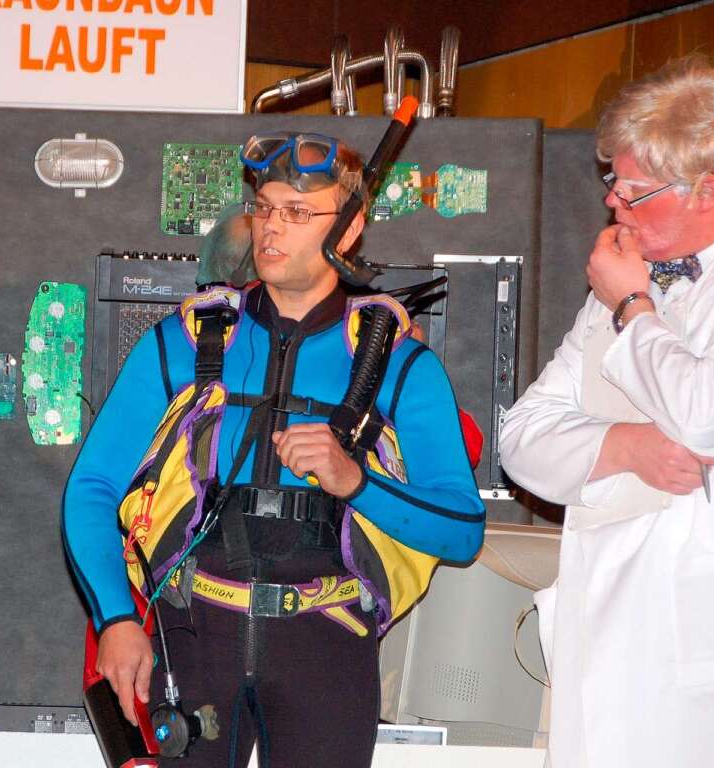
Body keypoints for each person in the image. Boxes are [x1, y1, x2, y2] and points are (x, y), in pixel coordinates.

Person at [63, 132, 484, 767]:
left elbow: (463, 530)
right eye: (264, 206)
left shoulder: (399, 365)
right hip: (194, 639)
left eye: (296, 211)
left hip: (328, 646)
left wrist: (357, 482)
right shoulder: (184, 343)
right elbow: (91, 488)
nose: (270, 228)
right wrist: (118, 619)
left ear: (348, 227)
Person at [499, 55, 714, 767]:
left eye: (634, 188)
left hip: (713, 655)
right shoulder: (627, 272)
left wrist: (632, 307)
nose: (614, 201)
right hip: (605, 627)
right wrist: (622, 445)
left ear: (709, 189)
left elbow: (709, 410)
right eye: (611, 179)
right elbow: (523, 437)